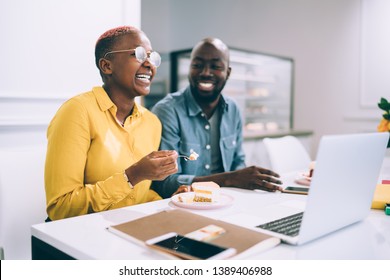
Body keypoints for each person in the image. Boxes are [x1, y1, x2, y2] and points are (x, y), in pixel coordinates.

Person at [44, 26, 178, 221]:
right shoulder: (76, 112)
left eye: (152, 57)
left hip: (124, 229)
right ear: (107, 66)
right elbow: (61, 208)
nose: (150, 65)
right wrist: (132, 176)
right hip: (77, 235)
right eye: (140, 55)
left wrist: (169, 202)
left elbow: (136, 197)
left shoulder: (152, 123)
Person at [151, 37, 283, 198]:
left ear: (228, 73)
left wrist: (246, 178)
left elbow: (238, 162)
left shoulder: (232, 109)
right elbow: (163, 183)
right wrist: (229, 179)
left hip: (227, 201)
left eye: (216, 66)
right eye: (197, 65)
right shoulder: (168, 111)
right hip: (184, 207)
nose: (206, 73)